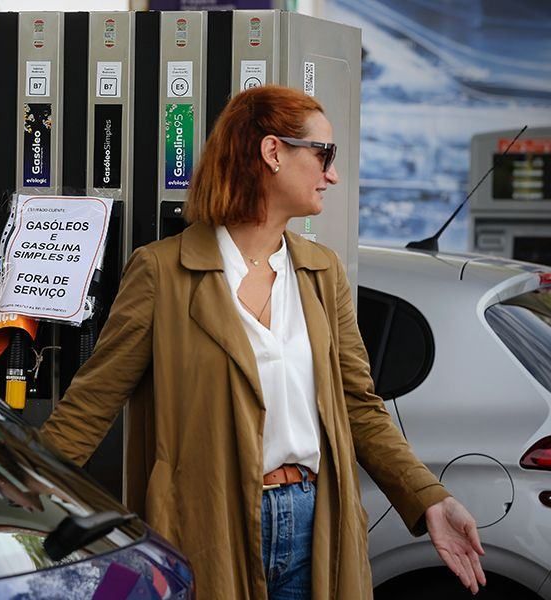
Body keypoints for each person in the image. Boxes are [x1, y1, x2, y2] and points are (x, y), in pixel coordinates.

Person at [39, 85, 486, 600]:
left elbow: (360, 407)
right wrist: (11, 499)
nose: (332, 174)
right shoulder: (162, 272)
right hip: (208, 526)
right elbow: (91, 405)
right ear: (273, 152)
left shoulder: (322, 273)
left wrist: (428, 498)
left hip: (314, 526)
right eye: (324, 154)